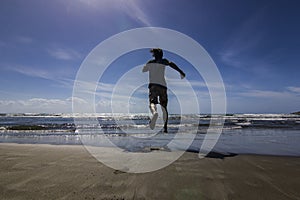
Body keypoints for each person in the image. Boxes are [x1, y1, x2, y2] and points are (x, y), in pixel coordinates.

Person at [142, 48, 185, 133]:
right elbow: (171, 64)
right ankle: (165, 128)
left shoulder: (151, 62)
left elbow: (144, 70)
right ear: (161, 54)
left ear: (154, 54)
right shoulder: (164, 61)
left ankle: (154, 113)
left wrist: (146, 66)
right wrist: (181, 71)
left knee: (152, 103)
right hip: (163, 86)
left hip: (153, 85)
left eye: (153, 53)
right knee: (164, 107)